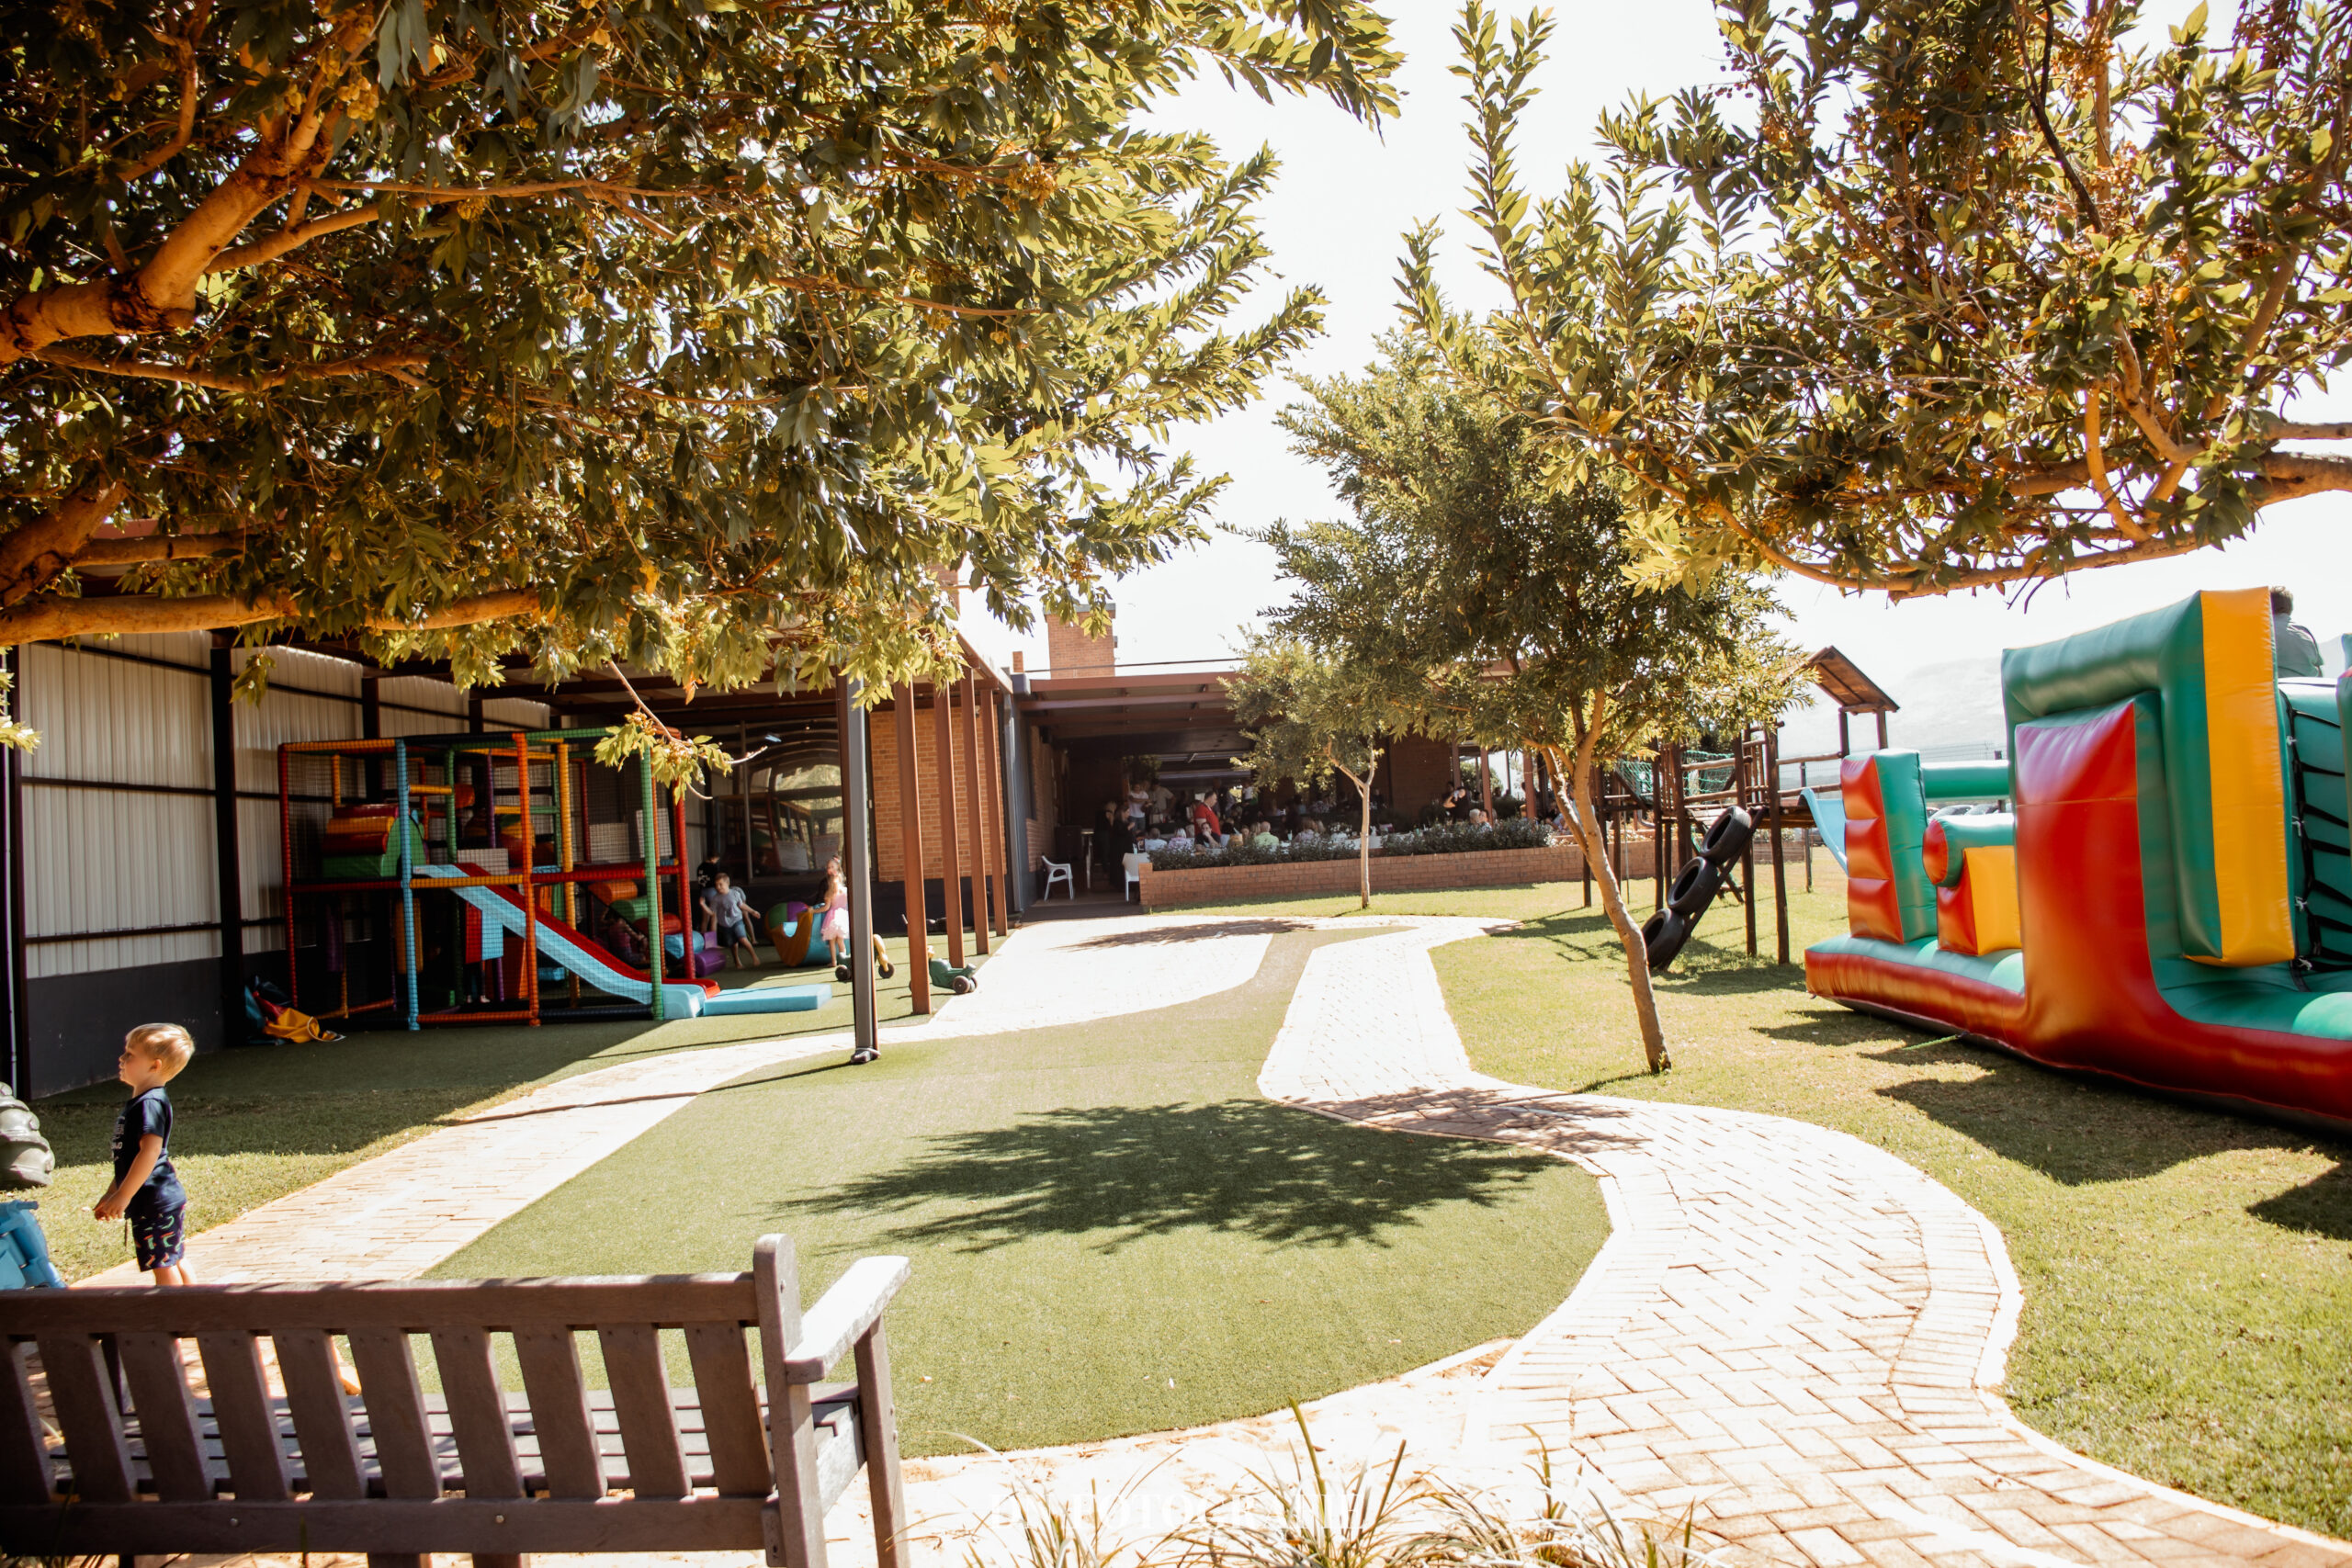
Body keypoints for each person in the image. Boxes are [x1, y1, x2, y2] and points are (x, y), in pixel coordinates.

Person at [93, 1023, 196, 1287]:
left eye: (130, 1054)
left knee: (163, 1265)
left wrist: (124, 1196)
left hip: (154, 1202)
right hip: (159, 1199)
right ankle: (197, 1307)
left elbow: (150, 1152)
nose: (121, 1058)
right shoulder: (145, 1102)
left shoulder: (149, 1103)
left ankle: (172, 1312)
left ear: (154, 1066)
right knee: (174, 1259)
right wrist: (113, 1193)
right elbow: (129, 1160)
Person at [699, 871, 761, 969]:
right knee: (733, 944)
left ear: (727, 883)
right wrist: (703, 905)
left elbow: (741, 905)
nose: (718, 887)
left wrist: (753, 911)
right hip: (725, 924)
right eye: (716, 885)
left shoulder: (735, 893)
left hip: (737, 920)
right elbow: (711, 913)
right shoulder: (716, 898)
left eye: (721, 884)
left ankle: (754, 957)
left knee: (743, 939)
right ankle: (737, 961)